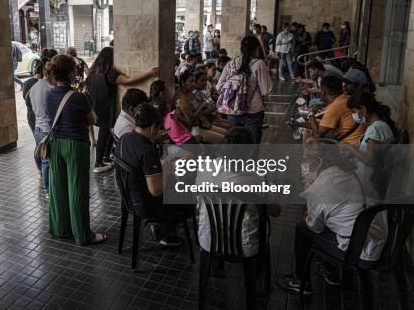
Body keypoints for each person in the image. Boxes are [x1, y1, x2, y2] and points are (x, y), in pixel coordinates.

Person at [277, 144, 386, 295]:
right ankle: (330, 271)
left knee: (302, 229)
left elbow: (314, 227)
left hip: (359, 250)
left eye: (306, 160)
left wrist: (309, 199)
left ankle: (300, 280)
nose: (304, 165)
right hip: (379, 241)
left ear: (319, 162)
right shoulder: (351, 173)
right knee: (331, 218)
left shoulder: (321, 187)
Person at [45, 54, 106, 245]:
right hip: (75, 145)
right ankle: (82, 235)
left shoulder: (49, 94)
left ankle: (61, 229)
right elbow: (93, 120)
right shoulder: (79, 97)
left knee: (58, 188)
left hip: (55, 144)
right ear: (71, 73)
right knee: (77, 190)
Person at [115, 103, 192, 246]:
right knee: (188, 198)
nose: (161, 133)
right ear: (152, 128)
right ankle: (166, 232)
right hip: (144, 206)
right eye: (159, 129)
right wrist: (167, 171)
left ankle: (164, 228)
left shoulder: (125, 138)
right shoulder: (146, 150)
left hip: (129, 198)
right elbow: (156, 191)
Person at [198, 127, 281, 257]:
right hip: (245, 246)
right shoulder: (257, 178)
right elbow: (276, 211)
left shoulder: (204, 168)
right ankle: (258, 271)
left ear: (222, 148)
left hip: (208, 241)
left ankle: (213, 263)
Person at [86, 47, 158, 173]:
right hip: (108, 108)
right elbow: (129, 80)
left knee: (106, 133)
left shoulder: (92, 74)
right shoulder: (109, 74)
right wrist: (149, 73)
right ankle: (98, 162)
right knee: (104, 134)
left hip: (96, 107)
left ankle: (104, 158)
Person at [216, 36, 273, 144]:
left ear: (241, 48)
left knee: (235, 144)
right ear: (257, 48)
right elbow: (266, 90)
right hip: (253, 111)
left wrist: (233, 94)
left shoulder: (231, 63)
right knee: (252, 145)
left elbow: (219, 86)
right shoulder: (259, 64)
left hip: (233, 110)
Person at [340, 91, 397, 182]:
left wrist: (349, 147)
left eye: (354, 111)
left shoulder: (375, 129)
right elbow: (370, 150)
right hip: (366, 178)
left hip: (366, 182)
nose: (353, 115)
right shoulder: (380, 125)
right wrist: (354, 150)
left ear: (363, 109)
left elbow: (371, 160)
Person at [301, 76, 365, 146]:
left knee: (311, 138)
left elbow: (317, 134)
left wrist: (311, 113)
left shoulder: (335, 106)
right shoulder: (345, 98)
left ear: (323, 91)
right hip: (359, 139)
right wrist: (299, 124)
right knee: (311, 129)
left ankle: (308, 156)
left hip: (351, 145)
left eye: (320, 88)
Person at [29, 59, 53, 193]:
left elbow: (33, 107)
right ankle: (49, 189)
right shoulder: (50, 89)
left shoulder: (34, 87)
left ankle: (48, 188)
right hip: (46, 130)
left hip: (37, 127)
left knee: (44, 159)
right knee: (47, 161)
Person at [23, 58, 46, 176]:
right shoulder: (41, 85)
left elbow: (25, 100)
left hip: (30, 115)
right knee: (43, 143)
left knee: (37, 142)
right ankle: (44, 168)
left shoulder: (27, 83)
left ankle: (39, 170)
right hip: (39, 116)